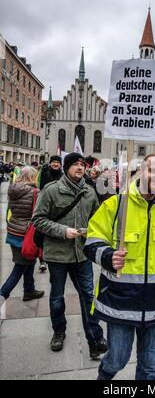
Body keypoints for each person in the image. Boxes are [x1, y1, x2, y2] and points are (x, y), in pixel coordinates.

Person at [84, 154, 155, 380]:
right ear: (140, 172)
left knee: (149, 367)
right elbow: (91, 241)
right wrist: (108, 256)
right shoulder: (116, 203)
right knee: (117, 359)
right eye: (152, 170)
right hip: (121, 299)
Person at [32, 153, 107, 357]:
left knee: (89, 296)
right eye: (75, 164)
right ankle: (59, 331)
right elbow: (38, 219)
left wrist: (92, 231)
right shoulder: (51, 190)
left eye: (82, 164)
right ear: (66, 168)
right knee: (57, 297)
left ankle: (95, 338)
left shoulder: (89, 192)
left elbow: (97, 219)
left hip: (82, 254)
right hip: (57, 255)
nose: (80, 168)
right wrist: (62, 231)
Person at [0, 167, 44, 312]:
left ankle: (29, 290)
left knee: (28, 261)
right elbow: (37, 214)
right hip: (26, 234)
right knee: (19, 268)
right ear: (32, 177)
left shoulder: (12, 189)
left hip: (13, 231)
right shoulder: (35, 192)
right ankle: (2, 294)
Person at [38, 156, 63, 273]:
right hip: (46, 205)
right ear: (50, 163)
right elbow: (40, 188)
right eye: (54, 162)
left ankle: (55, 257)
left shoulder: (63, 175)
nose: (55, 164)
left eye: (57, 162)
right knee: (42, 234)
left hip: (59, 207)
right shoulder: (45, 173)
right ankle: (42, 260)